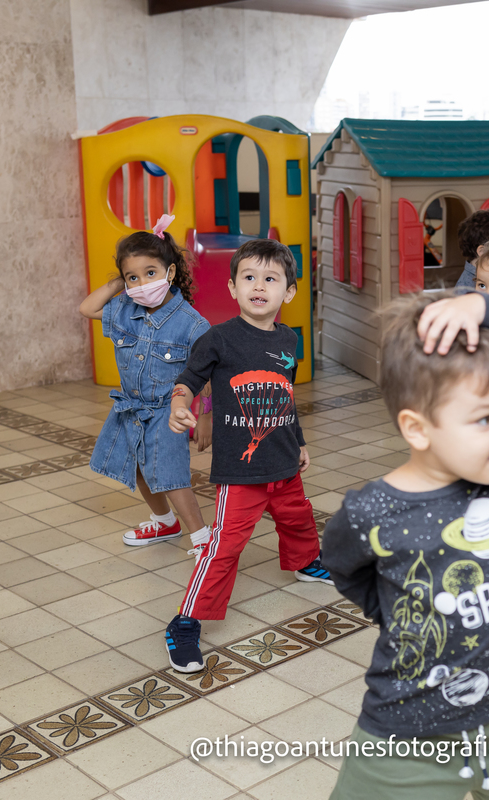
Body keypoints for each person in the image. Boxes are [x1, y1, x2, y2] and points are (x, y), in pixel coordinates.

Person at [322, 290, 489, 799]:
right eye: (485, 418)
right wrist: (398, 609)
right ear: (417, 429)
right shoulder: (370, 513)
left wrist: (485, 308)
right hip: (408, 735)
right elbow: (344, 566)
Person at [166, 238, 331, 672]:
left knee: (298, 517)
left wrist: (299, 442)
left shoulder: (288, 339)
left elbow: (284, 398)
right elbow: (187, 381)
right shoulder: (217, 338)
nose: (260, 286)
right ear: (233, 287)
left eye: (271, 279)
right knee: (224, 547)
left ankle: (305, 562)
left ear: (289, 292)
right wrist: (180, 406)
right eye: (250, 277)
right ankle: (184, 623)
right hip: (240, 472)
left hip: (283, 462)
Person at [81, 223, 213, 551]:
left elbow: (209, 378)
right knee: (139, 468)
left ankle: (202, 539)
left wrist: (206, 419)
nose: (142, 284)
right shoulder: (125, 309)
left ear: (169, 272)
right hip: (131, 409)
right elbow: (87, 308)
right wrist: (118, 283)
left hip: (168, 412)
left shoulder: (193, 323)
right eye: (133, 277)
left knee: (170, 476)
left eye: (150, 272)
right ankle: (165, 523)